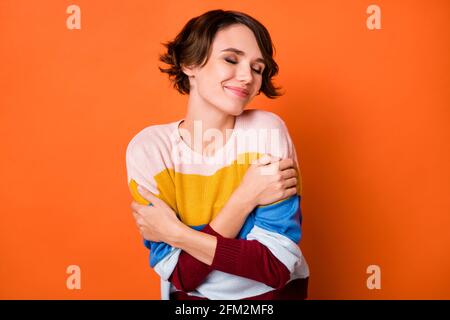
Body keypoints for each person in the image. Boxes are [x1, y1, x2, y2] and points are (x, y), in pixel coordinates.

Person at [126, 9, 309, 300]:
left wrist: (177, 234)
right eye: (231, 59)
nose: (248, 77)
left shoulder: (267, 132)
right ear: (189, 64)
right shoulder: (150, 149)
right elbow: (183, 276)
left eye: (257, 68)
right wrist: (246, 196)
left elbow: (274, 267)